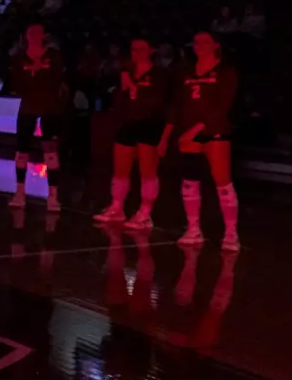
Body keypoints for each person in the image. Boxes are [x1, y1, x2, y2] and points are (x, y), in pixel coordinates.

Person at [161, 31, 239, 249]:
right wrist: (166, 137)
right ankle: (193, 228)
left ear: (215, 45)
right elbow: (176, 106)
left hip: (214, 131)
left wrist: (197, 129)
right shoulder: (186, 71)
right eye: (196, 42)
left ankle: (231, 233)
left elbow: (223, 105)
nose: (199, 45)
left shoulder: (226, 71)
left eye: (205, 42)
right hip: (188, 134)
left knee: (223, 183)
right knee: (190, 181)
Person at [94, 38, 169, 228]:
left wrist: (135, 89)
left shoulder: (159, 74)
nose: (137, 52)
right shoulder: (126, 73)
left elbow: (157, 101)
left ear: (151, 50)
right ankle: (117, 208)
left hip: (149, 123)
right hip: (127, 122)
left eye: (141, 48)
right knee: (120, 170)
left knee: (147, 171)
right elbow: (120, 99)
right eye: (134, 49)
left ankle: (145, 213)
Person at [8, 23, 67, 212]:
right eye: (30, 33)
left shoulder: (54, 56)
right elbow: (16, 84)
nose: (34, 35)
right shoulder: (18, 58)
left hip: (49, 109)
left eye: (37, 33)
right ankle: (19, 192)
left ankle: (53, 196)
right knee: (22, 150)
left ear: (44, 36)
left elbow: (57, 79)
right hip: (27, 109)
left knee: (51, 152)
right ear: (26, 36)